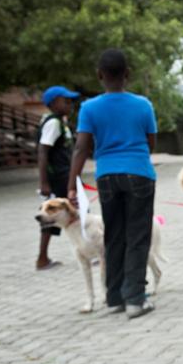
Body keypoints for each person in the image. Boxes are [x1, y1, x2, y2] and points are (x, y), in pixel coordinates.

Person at [67, 49, 158, 319]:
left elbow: (81, 148)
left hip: (106, 176)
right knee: (138, 236)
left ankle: (115, 297)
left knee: (114, 235)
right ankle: (135, 300)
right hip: (139, 173)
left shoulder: (89, 108)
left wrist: (72, 185)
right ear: (127, 74)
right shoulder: (143, 105)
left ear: (99, 75)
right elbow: (150, 143)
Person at [36, 85, 80, 270]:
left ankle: (43, 258)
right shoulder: (53, 123)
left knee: (57, 215)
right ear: (53, 104)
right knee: (75, 211)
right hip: (58, 178)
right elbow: (43, 151)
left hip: (65, 175)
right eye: (66, 101)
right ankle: (90, 252)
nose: (70, 105)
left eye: (71, 101)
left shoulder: (62, 122)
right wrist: (44, 182)